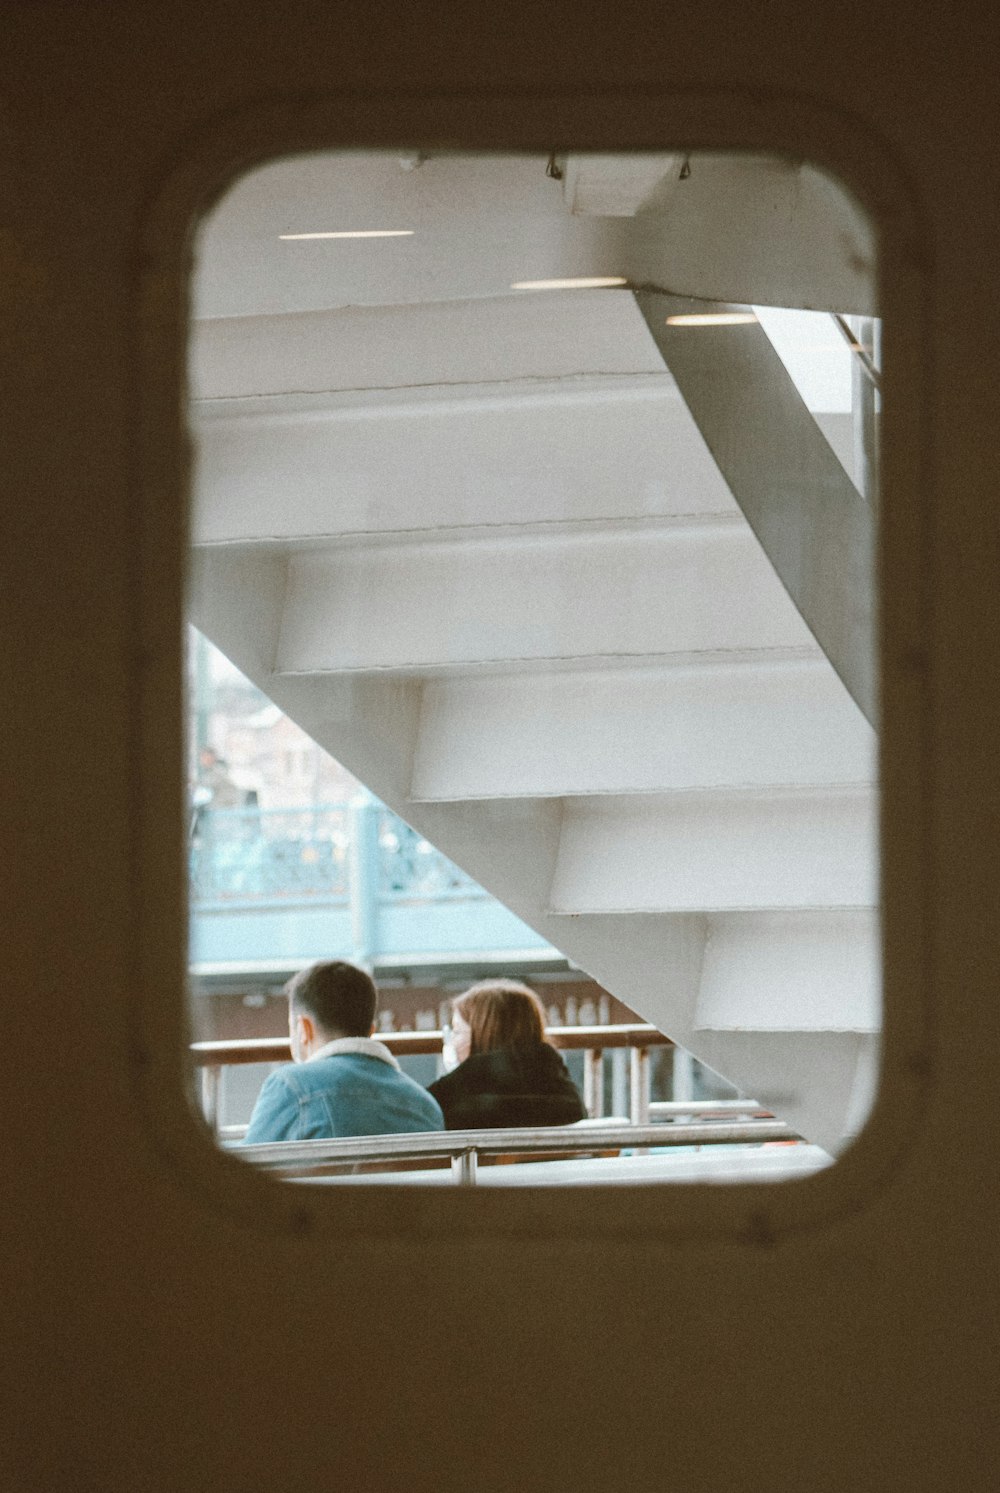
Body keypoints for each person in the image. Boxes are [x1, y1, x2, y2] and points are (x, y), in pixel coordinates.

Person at [243, 961, 444, 1143]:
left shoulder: (291, 1088)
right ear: (371, 1031)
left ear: (304, 1028)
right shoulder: (426, 1105)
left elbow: (242, 1176)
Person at [428, 979, 586, 1130]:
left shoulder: (449, 1105)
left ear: (485, 1036)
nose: (451, 1042)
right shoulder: (566, 1098)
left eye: (456, 1031)